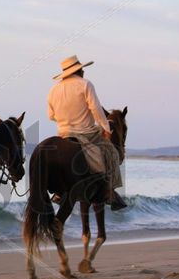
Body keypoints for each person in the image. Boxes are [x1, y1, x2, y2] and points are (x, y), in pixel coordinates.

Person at [48, 55, 127, 211]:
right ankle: (110, 193)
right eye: (81, 69)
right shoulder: (85, 84)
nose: (83, 71)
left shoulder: (54, 89)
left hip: (63, 133)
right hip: (85, 132)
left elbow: (51, 116)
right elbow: (96, 109)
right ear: (77, 70)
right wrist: (106, 128)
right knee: (111, 152)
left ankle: (58, 193)